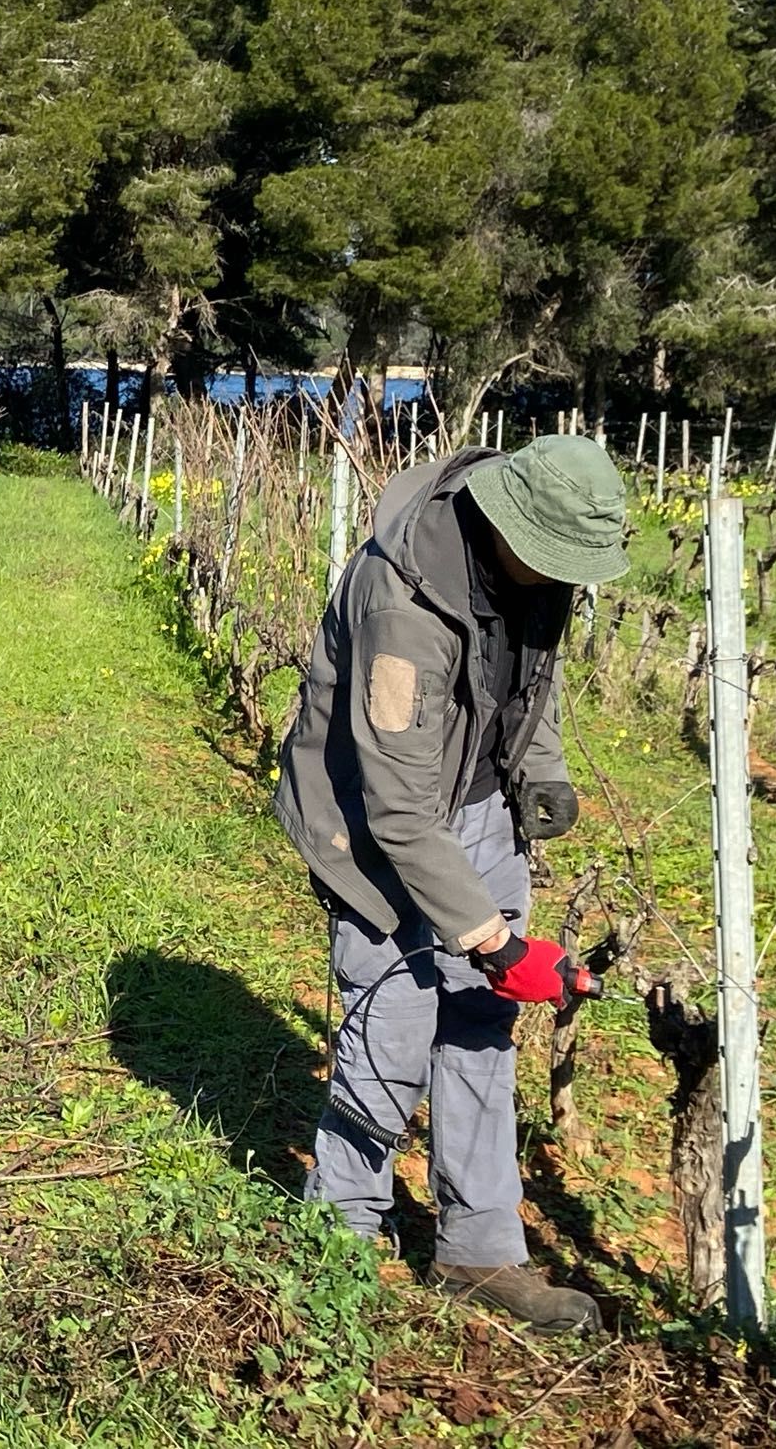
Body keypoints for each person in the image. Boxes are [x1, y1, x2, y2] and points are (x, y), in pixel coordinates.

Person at [275, 433, 629, 1335]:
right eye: (555, 561)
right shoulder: (402, 601)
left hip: (473, 806)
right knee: (389, 1027)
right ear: (505, 522)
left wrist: (539, 773)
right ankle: (341, 1239)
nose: (563, 578)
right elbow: (397, 811)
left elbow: (528, 691)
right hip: (371, 827)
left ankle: (478, 1250)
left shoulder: (536, 574)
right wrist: (496, 939)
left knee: (479, 1025)